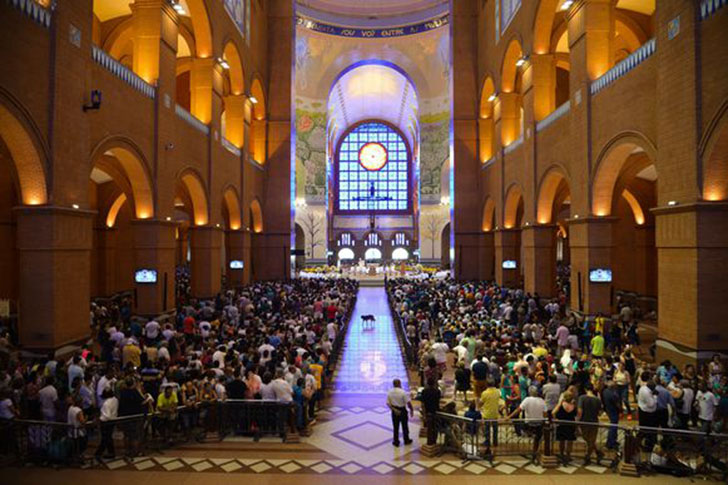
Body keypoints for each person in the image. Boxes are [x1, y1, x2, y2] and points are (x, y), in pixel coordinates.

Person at [506, 386, 546, 463]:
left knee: (524, 430)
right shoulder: (541, 401)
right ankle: (534, 452)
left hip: (529, 424)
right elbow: (545, 413)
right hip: (539, 423)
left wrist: (509, 416)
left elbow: (518, 410)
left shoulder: (527, 400)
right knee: (537, 439)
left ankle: (532, 451)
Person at [577, 383, 603, 465]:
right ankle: (598, 452)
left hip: (584, 421)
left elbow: (580, 411)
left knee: (587, 438)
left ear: (585, 389)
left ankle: (587, 456)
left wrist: (577, 420)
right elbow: (600, 413)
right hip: (594, 421)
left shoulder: (582, 398)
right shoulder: (597, 400)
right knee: (591, 440)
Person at [386, 378, 413, 446]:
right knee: (405, 426)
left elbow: (388, 403)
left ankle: (396, 441)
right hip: (402, 410)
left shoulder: (389, 392)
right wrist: (411, 410)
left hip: (394, 411)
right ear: (399, 384)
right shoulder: (403, 392)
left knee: (395, 427)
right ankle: (406, 440)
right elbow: (408, 403)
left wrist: (394, 410)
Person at [553, 391, 577, 465]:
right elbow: (576, 415)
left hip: (562, 425)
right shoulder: (574, 406)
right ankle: (568, 456)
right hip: (571, 425)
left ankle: (562, 454)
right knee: (569, 441)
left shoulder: (560, 405)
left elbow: (553, 412)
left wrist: (556, 419)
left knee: (562, 441)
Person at [95, 388, 118, 460]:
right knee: (108, 437)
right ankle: (111, 452)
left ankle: (99, 453)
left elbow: (106, 416)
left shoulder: (106, 404)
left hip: (106, 422)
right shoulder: (115, 399)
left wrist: (98, 420)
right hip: (113, 420)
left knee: (105, 438)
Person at [479, 379, 501, 450]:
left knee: (487, 429)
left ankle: (487, 441)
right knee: (495, 428)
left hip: (487, 413)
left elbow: (481, 402)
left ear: (487, 384)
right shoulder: (498, 392)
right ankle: (495, 442)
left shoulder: (485, 393)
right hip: (495, 413)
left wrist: (479, 406)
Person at [420, 377, 441, 446]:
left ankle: (429, 442)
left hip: (428, 410)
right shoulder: (437, 391)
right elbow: (438, 400)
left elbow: (423, 404)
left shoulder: (424, 391)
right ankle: (434, 441)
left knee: (429, 428)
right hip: (436, 411)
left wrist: (424, 414)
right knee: (435, 427)